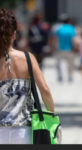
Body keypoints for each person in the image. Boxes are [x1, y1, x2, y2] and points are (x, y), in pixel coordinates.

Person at [0, 8, 54, 144]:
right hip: (23, 131)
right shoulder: (27, 58)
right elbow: (45, 90)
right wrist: (52, 118)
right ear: (14, 35)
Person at [53, 14, 77, 83]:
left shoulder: (58, 28)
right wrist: (75, 47)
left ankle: (60, 77)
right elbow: (73, 39)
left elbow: (55, 39)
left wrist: (53, 47)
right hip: (69, 49)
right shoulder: (72, 28)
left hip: (59, 49)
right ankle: (70, 76)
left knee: (59, 64)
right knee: (70, 64)